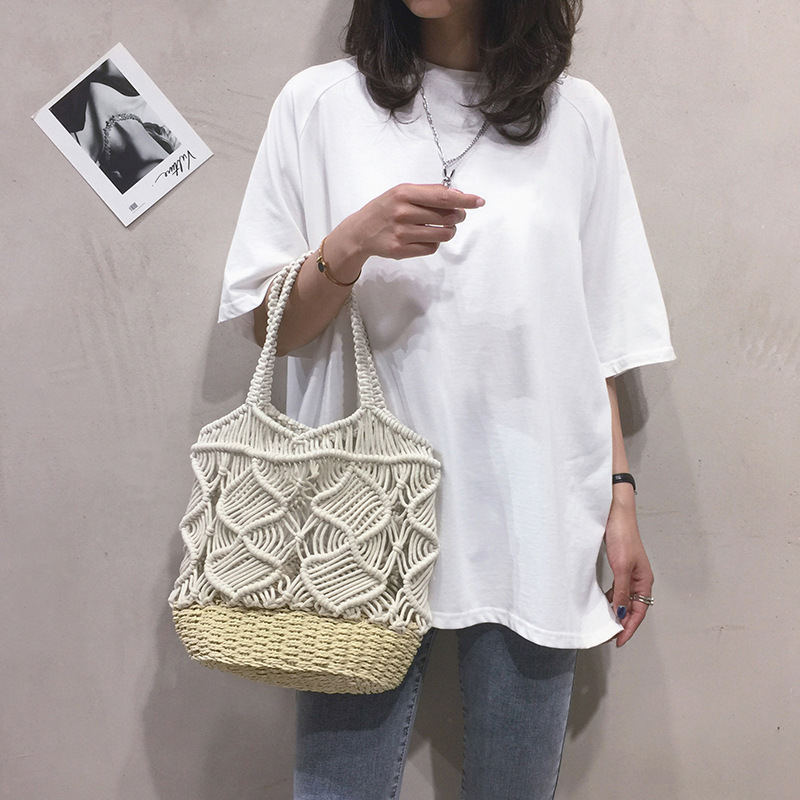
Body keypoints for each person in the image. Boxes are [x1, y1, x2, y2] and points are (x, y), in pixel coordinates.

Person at [218, 1, 675, 797]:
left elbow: (590, 335)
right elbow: (271, 328)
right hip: (353, 526)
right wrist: (349, 245)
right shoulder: (319, 106)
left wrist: (620, 494)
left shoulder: (577, 119)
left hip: (533, 511)